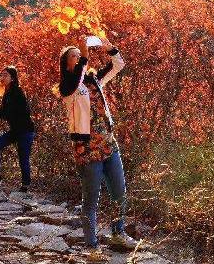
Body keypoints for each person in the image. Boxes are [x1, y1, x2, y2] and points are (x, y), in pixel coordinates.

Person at [59, 35, 139, 260]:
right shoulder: (67, 87)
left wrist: (110, 48)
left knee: (119, 193)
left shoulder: (94, 80)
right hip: (87, 150)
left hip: (108, 145)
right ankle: (92, 246)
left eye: (80, 54)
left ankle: (118, 232)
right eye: (73, 56)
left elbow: (118, 66)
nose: (80, 57)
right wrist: (84, 56)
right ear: (67, 64)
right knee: (91, 199)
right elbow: (75, 82)